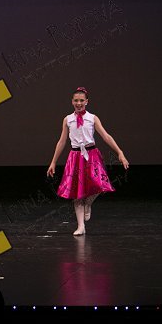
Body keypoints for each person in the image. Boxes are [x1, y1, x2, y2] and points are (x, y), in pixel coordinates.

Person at [47, 86, 129, 235]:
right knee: (77, 192)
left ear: (87, 101)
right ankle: (81, 226)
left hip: (91, 155)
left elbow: (106, 136)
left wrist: (120, 152)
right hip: (75, 156)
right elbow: (62, 141)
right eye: (76, 100)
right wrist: (53, 161)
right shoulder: (68, 120)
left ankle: (89, 203)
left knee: (99, 183)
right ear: (72, 101)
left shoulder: (92, 118)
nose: (79, 103)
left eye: (81, 100)